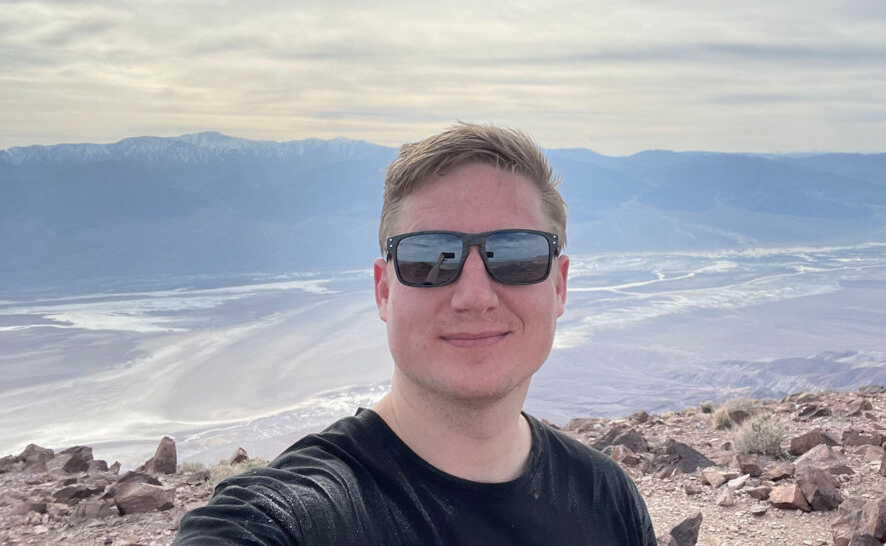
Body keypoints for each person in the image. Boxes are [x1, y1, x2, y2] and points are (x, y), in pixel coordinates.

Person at [175, 123, 657, 545]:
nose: (474, 295)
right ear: (384, 290)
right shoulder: (293, 518)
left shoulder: (606, 496)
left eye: (515, 256)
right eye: (430, 258)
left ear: (559, 286)